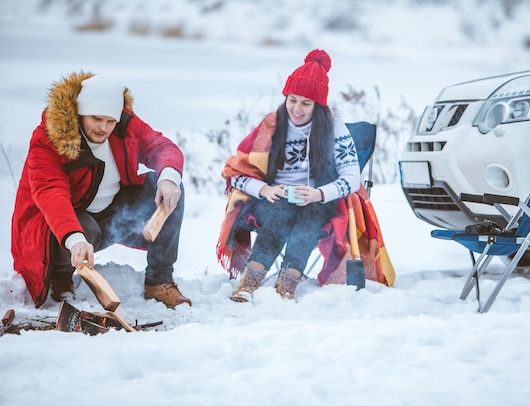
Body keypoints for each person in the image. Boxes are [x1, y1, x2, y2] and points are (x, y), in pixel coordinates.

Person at [11, 72, 191, 309]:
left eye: (110, 121)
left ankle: (159, 281)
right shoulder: (49, 138)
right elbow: (51, 193)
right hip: (57, 230)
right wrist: (75, 239)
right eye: (96, 119)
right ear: (80, 112)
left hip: (107, 216)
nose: (103, 128)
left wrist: (168, 177)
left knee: (166, 185)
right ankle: (60, 279)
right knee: (85, 227)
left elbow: (161, 146)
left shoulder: (124, 124)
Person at [216, 49, 363, 302]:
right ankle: (250, 281)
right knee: (283, 207)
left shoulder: (334, 128)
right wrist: (266, 190)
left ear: (319, 105)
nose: (297, 108)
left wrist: (319, 193)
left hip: (319, 201)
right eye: (292, 100)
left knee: (309, 210)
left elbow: (352, 178)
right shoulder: (271, 126)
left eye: (306, 103)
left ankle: (288, 282)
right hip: (272, 201)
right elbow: (235, 174)